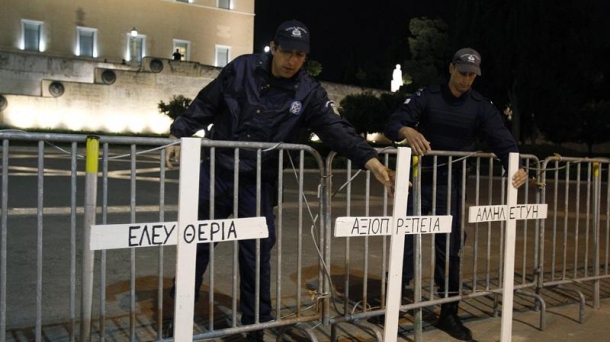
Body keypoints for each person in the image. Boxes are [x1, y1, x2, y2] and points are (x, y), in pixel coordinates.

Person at [165, 19, 395, 341]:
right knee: (196, 247)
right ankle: (178, 315)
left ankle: (256, 328)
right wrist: (179, 133)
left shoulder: (308, 91)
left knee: (257, 256)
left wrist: (370, 159)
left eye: (300, 55)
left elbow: (334, 127)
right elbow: (207, 103)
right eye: (287, 52)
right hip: (216, 173)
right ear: (273, 47)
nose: (293, 61)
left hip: (258, 182)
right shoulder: (241, 69)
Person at [384, 47, 528, 341]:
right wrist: (406, 131)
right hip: (418, 182)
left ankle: (449, 313)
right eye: (462, 73)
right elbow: (392, 123)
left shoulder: (480, 106)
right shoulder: (429, 97)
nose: (466, 80)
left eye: (472, 75)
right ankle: (395, 305)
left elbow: (502, 140)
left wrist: (519, 165)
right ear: (451, 68)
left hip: (451, 185)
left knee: (449, 250)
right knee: (405, 243)